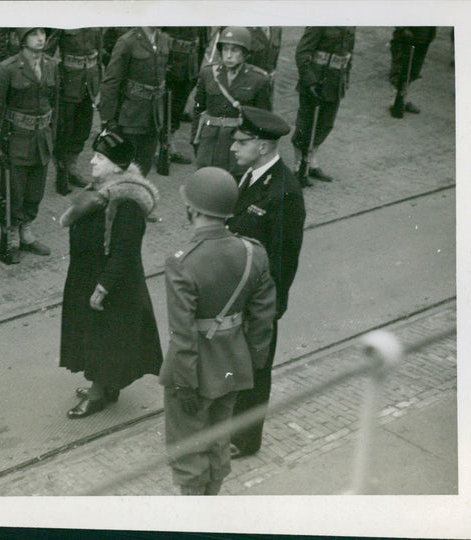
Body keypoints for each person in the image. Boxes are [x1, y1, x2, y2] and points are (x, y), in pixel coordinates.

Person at [160, 167, 276, 495]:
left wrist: (184, 381)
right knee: (218, 440)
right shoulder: (254, 252)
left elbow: (182, 334)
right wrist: (250, 361)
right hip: (233, 365)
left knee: (188, 451)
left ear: (193, 209)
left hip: (194, 371)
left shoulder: (182, 263)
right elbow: (263, 317)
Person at [58, 130, 163, 419]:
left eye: (99, 158)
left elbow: (125, 251)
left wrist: (103, 287)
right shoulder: (105, 186)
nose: (91, 162)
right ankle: (106, 386)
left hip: (111, 282)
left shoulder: (126, 202)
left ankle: (96, 394)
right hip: (92, 274)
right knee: (100, 334)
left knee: (103, 336)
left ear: (117, 166)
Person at [226, 106, 305, 459]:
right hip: (237, 293)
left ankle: (245, 439)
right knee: (235, 364)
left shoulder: (284, 191)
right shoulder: (250, 176)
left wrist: (267, 309)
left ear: (262, 146)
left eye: (241, 142)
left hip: (259, 301)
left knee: (256, 370)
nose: (233, 147)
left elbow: (284, 260)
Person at [0, 27, 57, 263]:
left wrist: (52, 134)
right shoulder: (8, 68)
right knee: (15, 191)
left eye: (43, 33)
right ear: (22, 40)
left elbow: (55, 104)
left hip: (42, 138)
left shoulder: (51, 65)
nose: (41, 38)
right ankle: (11, 235)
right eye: (34, 34)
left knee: (36, 189)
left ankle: (26, 232)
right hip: (17, 140)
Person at [192, 27, 271, 176]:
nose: (228, 55)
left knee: (235, 188)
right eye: (225, 49)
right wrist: (195, 140)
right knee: (206, 185)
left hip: (238, 144)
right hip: (209, 143)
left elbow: (263, 119)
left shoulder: (258, 80)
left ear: (245, 53)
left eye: (234, 50)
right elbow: (198, 108)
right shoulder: (208, 73)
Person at [99, 27, 169, 177]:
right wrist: (108, 119)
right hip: (130, 115)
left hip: (154, 116)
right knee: (123, 166)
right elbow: (111, 82)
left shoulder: (164, 40)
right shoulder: (127, 42)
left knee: (144, 166)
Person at [291, 26, 356, 184]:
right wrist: (309, 81)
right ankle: (299, 165)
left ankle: (312, 162)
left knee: (325, 124)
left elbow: (349, 55)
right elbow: (302, 52)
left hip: (335, 83)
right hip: (316, 80)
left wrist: (345, 79)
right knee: (305, 124)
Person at [45, 28, 102, 195]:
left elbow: (98, 53)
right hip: (68, 83)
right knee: (64, 128)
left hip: (89, 83)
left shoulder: (95, 19)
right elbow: (48, 53)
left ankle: (72, 166)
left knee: (83, 127)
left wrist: (98, 81)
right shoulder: (64, 19)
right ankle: (62, 170)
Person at [162, 27, 202, 165]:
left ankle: (169, 146)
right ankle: (163, 148)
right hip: (170, 62)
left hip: (188, 66)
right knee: (165, 107)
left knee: (177, 108)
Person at [389, 27, 437, 118]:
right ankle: (395, 102)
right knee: (401, 69)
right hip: (408, 35)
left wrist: (431, 33)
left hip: (425, 36)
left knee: (414, 71)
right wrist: (402, 29)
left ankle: (403, 100)